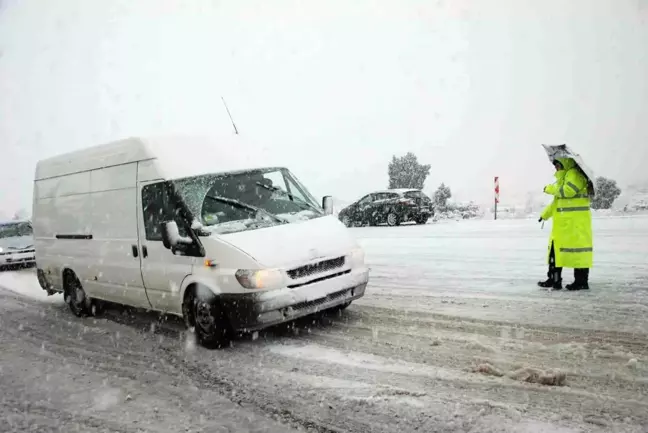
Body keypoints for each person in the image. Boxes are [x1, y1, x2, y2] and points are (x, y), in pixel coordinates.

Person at [537, 157, 593, 290]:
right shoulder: (564, 178)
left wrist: (549, 188)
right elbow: (557, 202)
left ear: (565, 163)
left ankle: (581, 282)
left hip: (575, 224)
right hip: (564, 225)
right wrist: (544, 215)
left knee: (578, 253)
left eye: (558, 165)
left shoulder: (575, 174)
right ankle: (554, 280)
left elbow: (567, 191)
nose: (556, 168)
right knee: (555, 252)